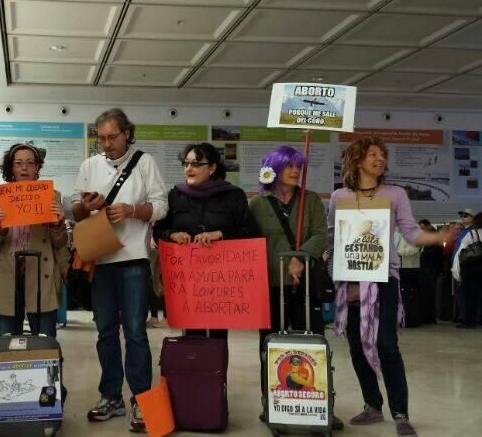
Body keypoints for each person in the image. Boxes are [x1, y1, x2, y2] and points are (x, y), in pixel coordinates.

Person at [328, 137, 446, 437]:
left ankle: (400, 413)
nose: (380, 159)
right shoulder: (339, 196)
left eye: (382, 155)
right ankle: (372, 405)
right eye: (372, 154)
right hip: (349, 282)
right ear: (356, 160)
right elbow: (333, 237)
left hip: (384, 280)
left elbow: (410, 232)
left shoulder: (395, 193)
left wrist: (437, 238)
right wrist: (337, 272)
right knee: (356, 345)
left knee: (386, 345)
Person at [72, 108, 168, 432]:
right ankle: (110, 396)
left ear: (127, 133)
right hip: (100, 259)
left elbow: (162, 205)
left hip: (133, 261)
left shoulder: (145, 162)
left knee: (137, 333)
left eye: (112, 136)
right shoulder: (89, 166)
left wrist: (132, 210)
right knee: (105, 332)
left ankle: (141, 399)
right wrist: (86, 204)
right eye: (101, 137)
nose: (106, 143)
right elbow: (76, 209)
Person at [247, 146, 343, 429]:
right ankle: (271, 404)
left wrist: (298, 259)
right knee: (269, 346)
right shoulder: (257, 204)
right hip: (270, 285)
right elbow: (251, 241)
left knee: (313, 344)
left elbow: (320, 235)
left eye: (298, 166)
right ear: (273, 168)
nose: (294, 171)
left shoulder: (310, 200)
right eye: (288, 165)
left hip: (306, 283)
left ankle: (322, 406)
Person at [154, 142, 259, 337]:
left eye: (196, 164)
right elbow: (159, 230)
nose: (189, 168)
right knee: (192, 334)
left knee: (219, 335)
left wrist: (220, 234)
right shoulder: (176, 195)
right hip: (188, 278)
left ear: (212, 168)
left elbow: (250, 231)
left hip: (222, 281)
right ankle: (195, 367)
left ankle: (216, 368)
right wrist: (173, 235)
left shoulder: (233, 195)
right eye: (186, 163)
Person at [0, 143, 67, 338]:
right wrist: (1, 228)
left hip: (40, 272)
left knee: (45, 340)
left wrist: (57, 225)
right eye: (18, 163)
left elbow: (60, 243)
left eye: (30, 163)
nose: (24, 168)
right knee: (7, 341)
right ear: (11, 167)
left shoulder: (51, 196)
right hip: (5, 273)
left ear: (38, 167)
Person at [451, 212, 482, 328]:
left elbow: (460, 253)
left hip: (472, 269)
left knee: (470, 297)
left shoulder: (472, 234)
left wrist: (456, 271)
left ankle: (470, 321)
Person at [418, 220, 442, 324]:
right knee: (426, 293)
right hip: (426, 267)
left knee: (430, 293)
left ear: (428, 226)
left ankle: (430, 317)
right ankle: (427, 315)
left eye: (423, 228)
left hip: (431, 268)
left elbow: (437, 252)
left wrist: (421, 254)